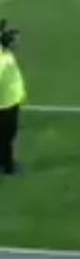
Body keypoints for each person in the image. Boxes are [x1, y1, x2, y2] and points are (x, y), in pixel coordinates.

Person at [0, 22, 25, 175]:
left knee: (7, 136)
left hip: (9, 101)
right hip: (5, 104)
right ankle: (8, 167)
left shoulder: (5, 55)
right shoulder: (4, 61)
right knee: (7, 136)